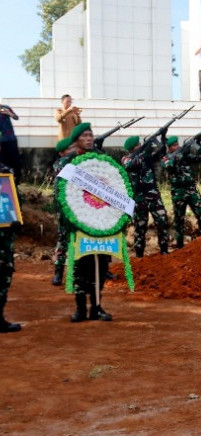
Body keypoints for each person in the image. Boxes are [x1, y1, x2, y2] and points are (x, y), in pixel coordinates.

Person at [56, 123, 113, 322]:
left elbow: (113, 183)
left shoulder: (102, 160)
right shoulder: (69, 163)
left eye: (91, 135)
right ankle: (80, 309)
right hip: (79, 223)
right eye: (85, 136)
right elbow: (62, 193)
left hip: (100, 222)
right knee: (80, 266)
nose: (89, 138)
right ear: (76, 140)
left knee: (100, 265)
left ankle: (97, 307)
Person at [122, 136, 170, 257]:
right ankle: (139, 255)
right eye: (138, 145)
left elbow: (161, 152)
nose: (140, 146)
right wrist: (145, 149)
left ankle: (164, 250)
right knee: (140, 226)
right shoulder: (126, 158)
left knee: (162, 220)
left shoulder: (147, 156)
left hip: (153, 194)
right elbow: (129, 165)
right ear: (133, 148)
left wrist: (162, 139)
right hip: (139, 197)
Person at [161, 136, 201, 249]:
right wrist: (181, 154)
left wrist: (198, 144)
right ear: (169, 148)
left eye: (178, 144)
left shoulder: (185, 156)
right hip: (178, 191)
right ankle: (180, 246)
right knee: (179, 219)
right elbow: (168, 165)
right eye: (174, 145)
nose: (177, 146)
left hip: (191, 189)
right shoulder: (166, 158)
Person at [0, 156, 20, 332]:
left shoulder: (6, 171)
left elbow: (13, 197)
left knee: (4, 274)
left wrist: (15, 216)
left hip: (4, 234)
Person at [51, 138, 74, 286]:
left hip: (78, 206)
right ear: (62, 152)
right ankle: (58, 273)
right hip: (65, 209)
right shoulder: (60, 163)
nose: (73, 149)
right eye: (69, 148)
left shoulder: (77, 160)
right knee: (63, 240)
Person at [0, 104, 21, 183]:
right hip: (1, 141)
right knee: (3, 162)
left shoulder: (6, 108)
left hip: (11, 138)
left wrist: (9, 113)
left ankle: (17, 180)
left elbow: (16, 117)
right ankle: (5, 182)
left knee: (15, 160)